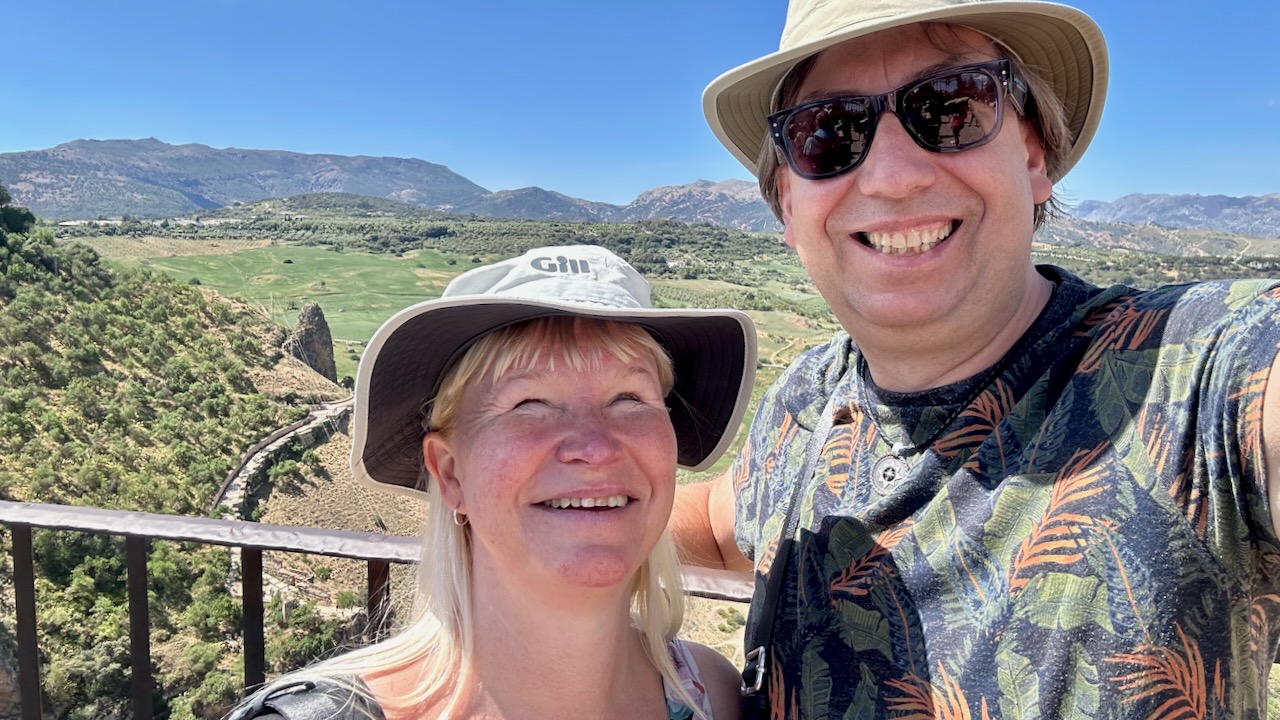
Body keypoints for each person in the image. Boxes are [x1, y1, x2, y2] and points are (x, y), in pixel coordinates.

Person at [674, 0, 1280, 717]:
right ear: (785, 204)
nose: (893, 176)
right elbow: (721, 522)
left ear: (1032, 155)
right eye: (829, 133)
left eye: (951, 107)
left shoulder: (1192, 370)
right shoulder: (806, 400)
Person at [232, 245, 757, 720]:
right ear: (450, 472)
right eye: (530, 404)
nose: (596, 447)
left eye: (630, 398)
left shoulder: (715, 695)